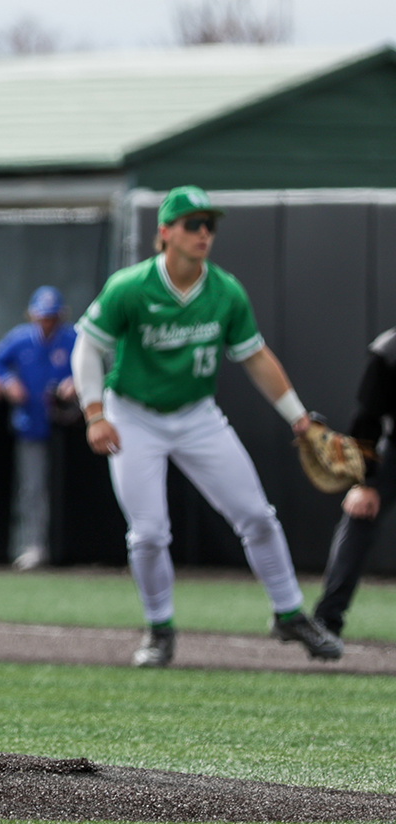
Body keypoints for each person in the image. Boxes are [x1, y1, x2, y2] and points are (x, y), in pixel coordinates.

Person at [73, 185, 341, 668]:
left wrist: (298, 418)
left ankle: (289, 613)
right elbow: (88, 346)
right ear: (165, 233)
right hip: (133, 415)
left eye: (209, 225)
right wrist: (95, 414)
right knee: (149, 532)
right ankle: (159, 629)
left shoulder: (224, 290)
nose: (203, 233)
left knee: (257, 516)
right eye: (192, 224)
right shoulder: (131, 286)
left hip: (196, 414)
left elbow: (255, 357)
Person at [0, 286, 78, 571]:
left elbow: (97, 363)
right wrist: (7, 382)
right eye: (42, 317)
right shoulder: (20, 339)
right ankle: (33, 545)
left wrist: (77, 381)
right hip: (31, 424)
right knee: (32, 488)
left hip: (68, 427)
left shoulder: (73, 338)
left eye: (52, 317)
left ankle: (66, 546)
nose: (47, 323)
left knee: (65, 488)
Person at [311, 328, 396, 637]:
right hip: (393, 451)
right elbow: (367, 417)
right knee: (358, 516)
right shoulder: (389, 350)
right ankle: (326, 620)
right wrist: (364, 482)